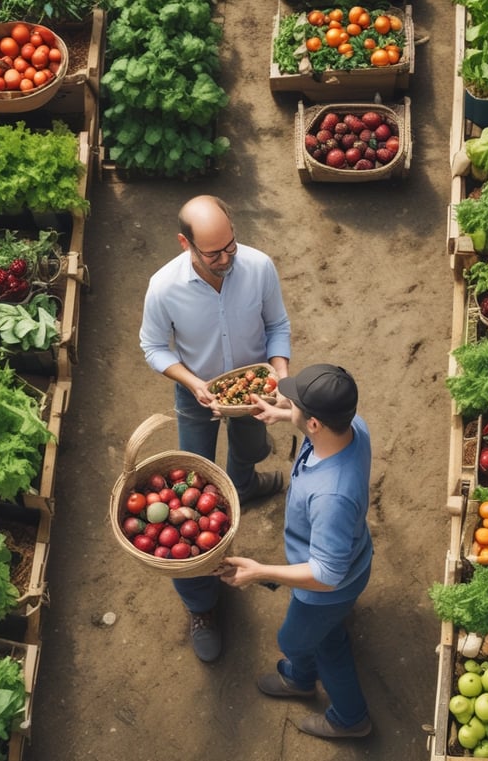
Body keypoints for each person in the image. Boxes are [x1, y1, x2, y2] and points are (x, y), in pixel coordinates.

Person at [139, 194, 291, 663]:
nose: (227, 259)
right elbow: (152, 347)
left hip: (251, 392)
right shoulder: (164, 287)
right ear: (185, 243)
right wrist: (193, 383)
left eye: (231, 247)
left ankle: (243, 483)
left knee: (250, 447)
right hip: (197, 396)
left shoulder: (258, 266)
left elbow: (277, 326)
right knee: (197, 483)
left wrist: (281, 378)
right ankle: (202, 604)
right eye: (214, 253)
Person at [216, 364, 374, 739]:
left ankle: (351, 719)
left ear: (315, 424)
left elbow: (325, 575)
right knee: (321, 635)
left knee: (297, 641)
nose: (288, 402)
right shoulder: (354, 427)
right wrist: (284, 414)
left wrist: (259, 572)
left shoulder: (331, 496)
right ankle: (302, 677)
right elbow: (312, 421)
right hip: (354, 555)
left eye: (295, 404)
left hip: (329, 586)